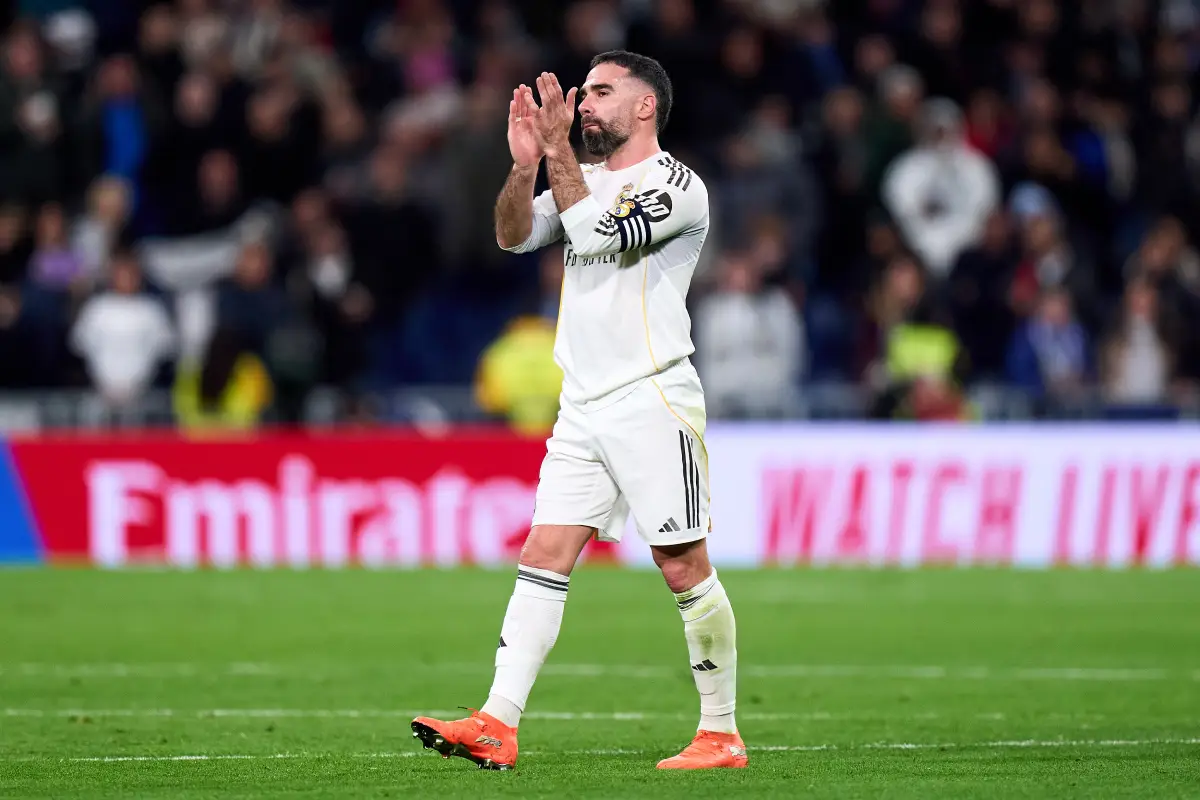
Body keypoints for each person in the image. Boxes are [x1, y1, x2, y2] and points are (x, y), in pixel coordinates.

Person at [411, 51, 745, 771]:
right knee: (543, 555)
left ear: (645, 105)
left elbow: (595, 234)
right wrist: (524, 164)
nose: (584, 103)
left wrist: (559, 148)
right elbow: (509, 234)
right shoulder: (579, 176)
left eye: (600, 92)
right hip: (583, 403)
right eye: (583, 92)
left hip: (651, 395)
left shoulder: (676, 187)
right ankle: (498, 723)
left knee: (681, 563)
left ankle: (720, 733)